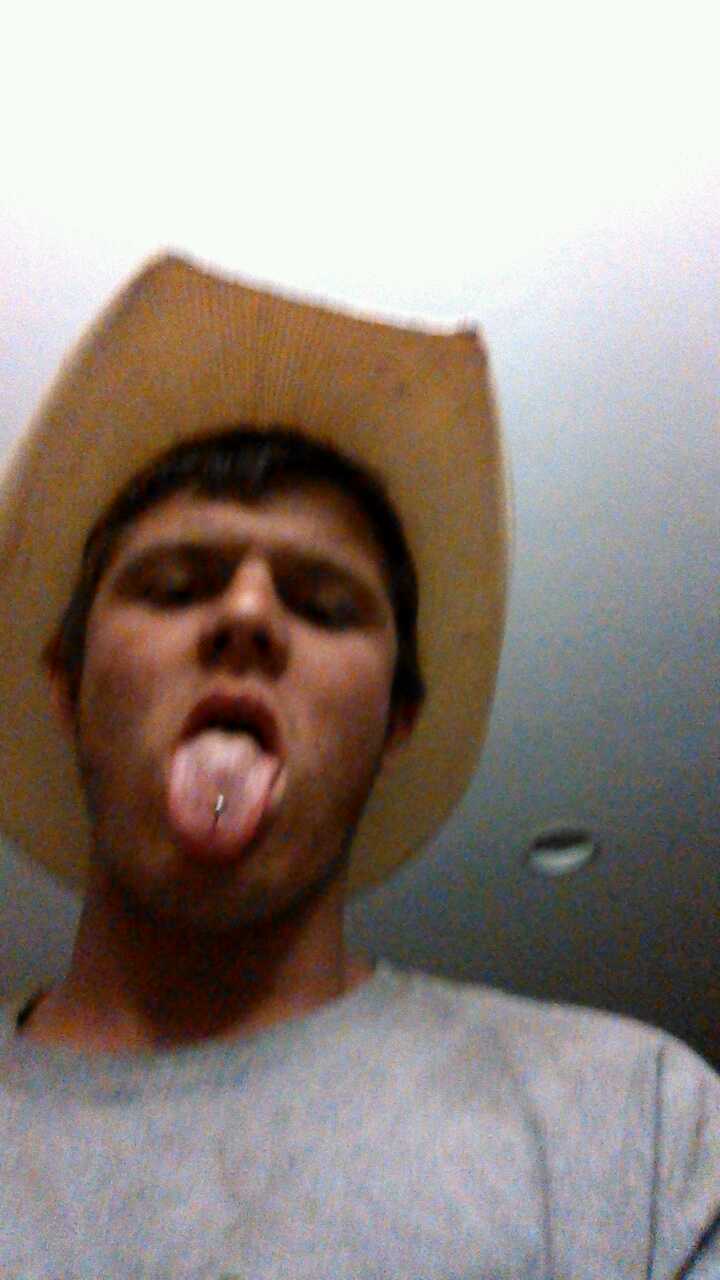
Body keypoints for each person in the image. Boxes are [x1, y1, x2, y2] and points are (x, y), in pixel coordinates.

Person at [0, 254, 717, 1278]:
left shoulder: (638, 1130)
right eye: (176, 584)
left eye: (325, 603)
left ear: (395, 724)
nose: (247, 614)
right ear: (67, 687)